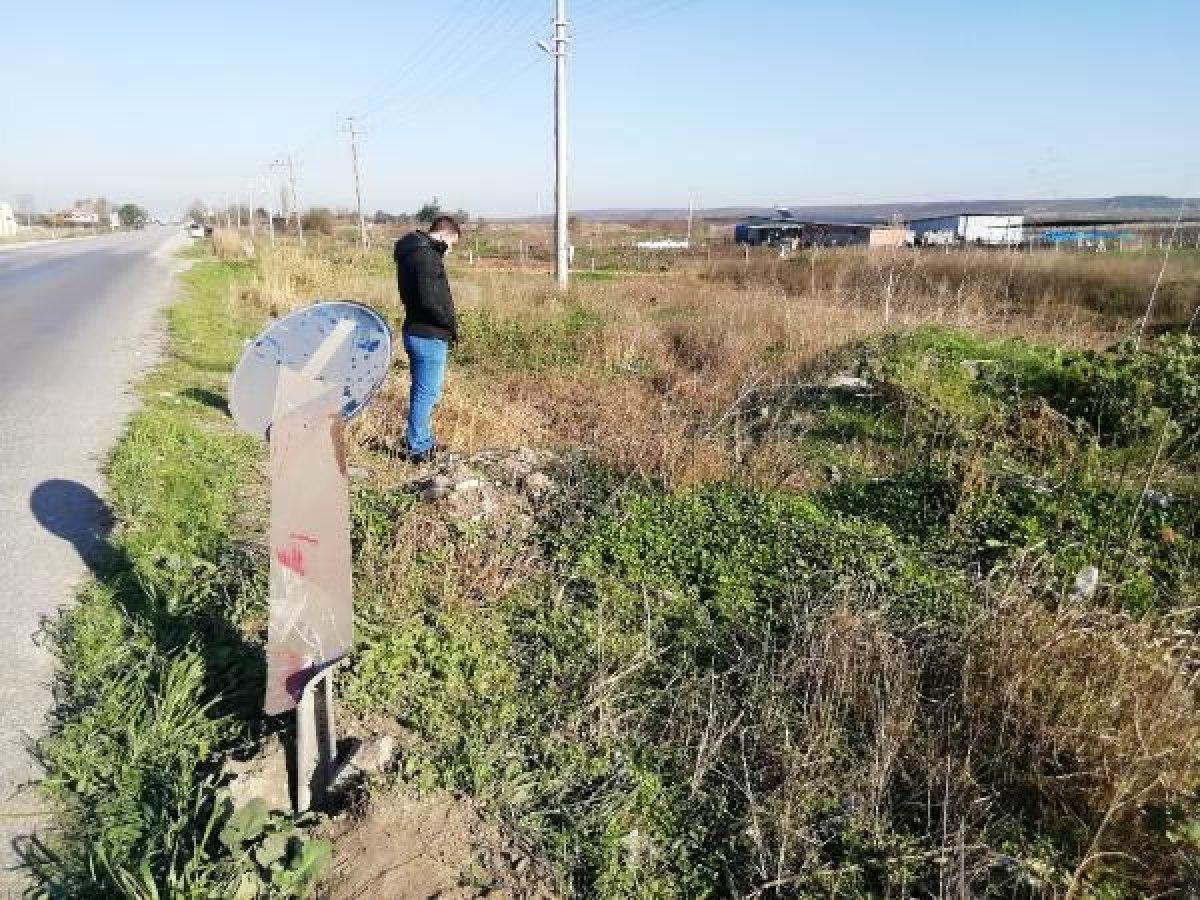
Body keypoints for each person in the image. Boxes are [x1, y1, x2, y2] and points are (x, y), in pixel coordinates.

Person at [393, 215, 461, 461]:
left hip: (415, 328)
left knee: (421, 391)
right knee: (427, 393)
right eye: (452, 244)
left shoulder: (411, 250)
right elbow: (431, 300)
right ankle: (418, 447)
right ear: (446, 234)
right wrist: (449, 325)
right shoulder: (426, 257)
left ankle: (420, 439)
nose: (450, 250)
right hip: (429, 334)